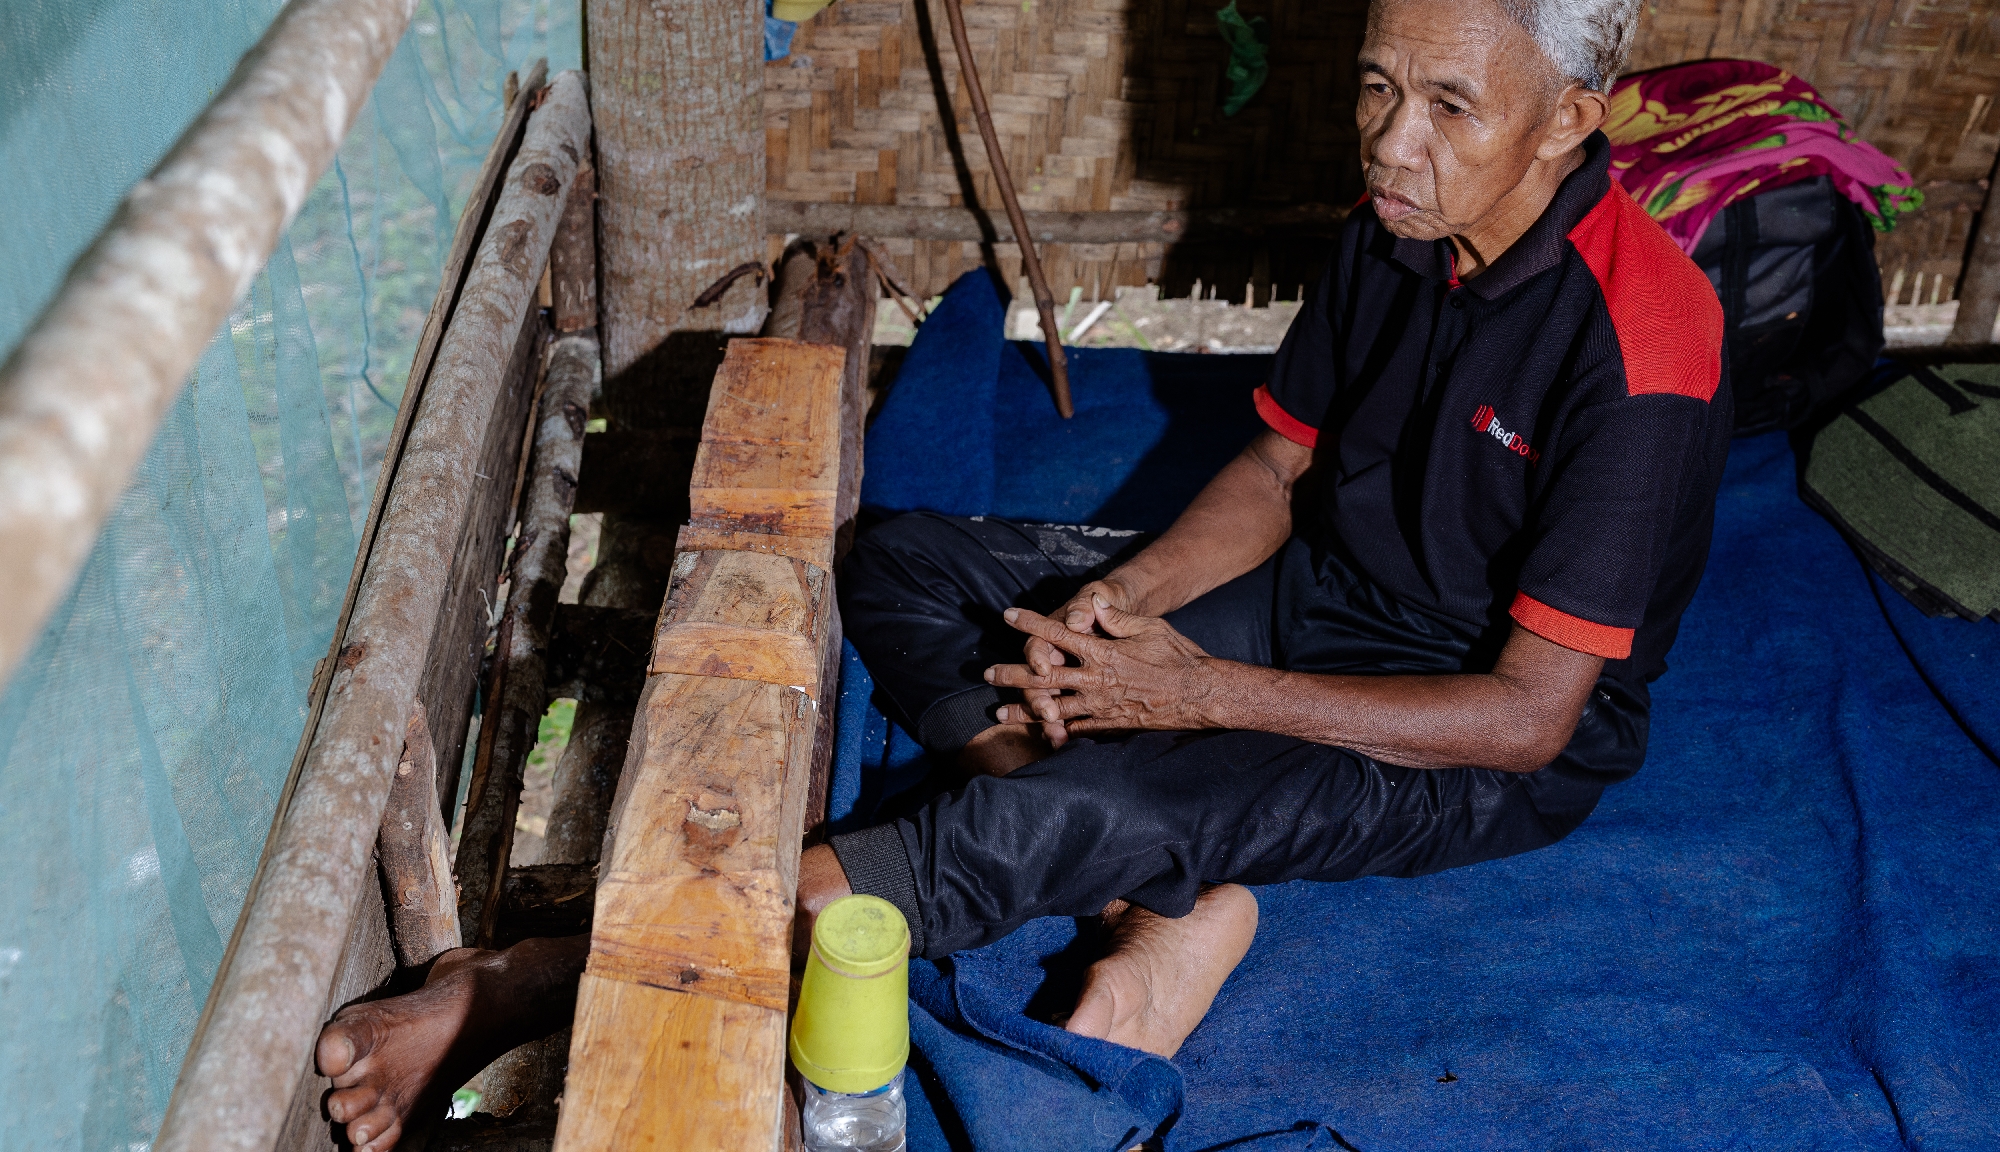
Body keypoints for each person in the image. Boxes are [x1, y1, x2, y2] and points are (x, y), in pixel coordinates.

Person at [312, 0, 1725, 1145]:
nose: (1390, 141)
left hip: (1463, 723)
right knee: (910, 565)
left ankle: (527, 979)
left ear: (1568, 125)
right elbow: (1279, 467)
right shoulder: (1398, 231)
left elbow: (1532, 716)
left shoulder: (1643, 341)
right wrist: (1131, 605)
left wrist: (1203, 698)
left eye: (1446, 109)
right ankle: (1140, 878)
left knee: (1083, 795)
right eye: (1376, 88)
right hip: (1323, 592)